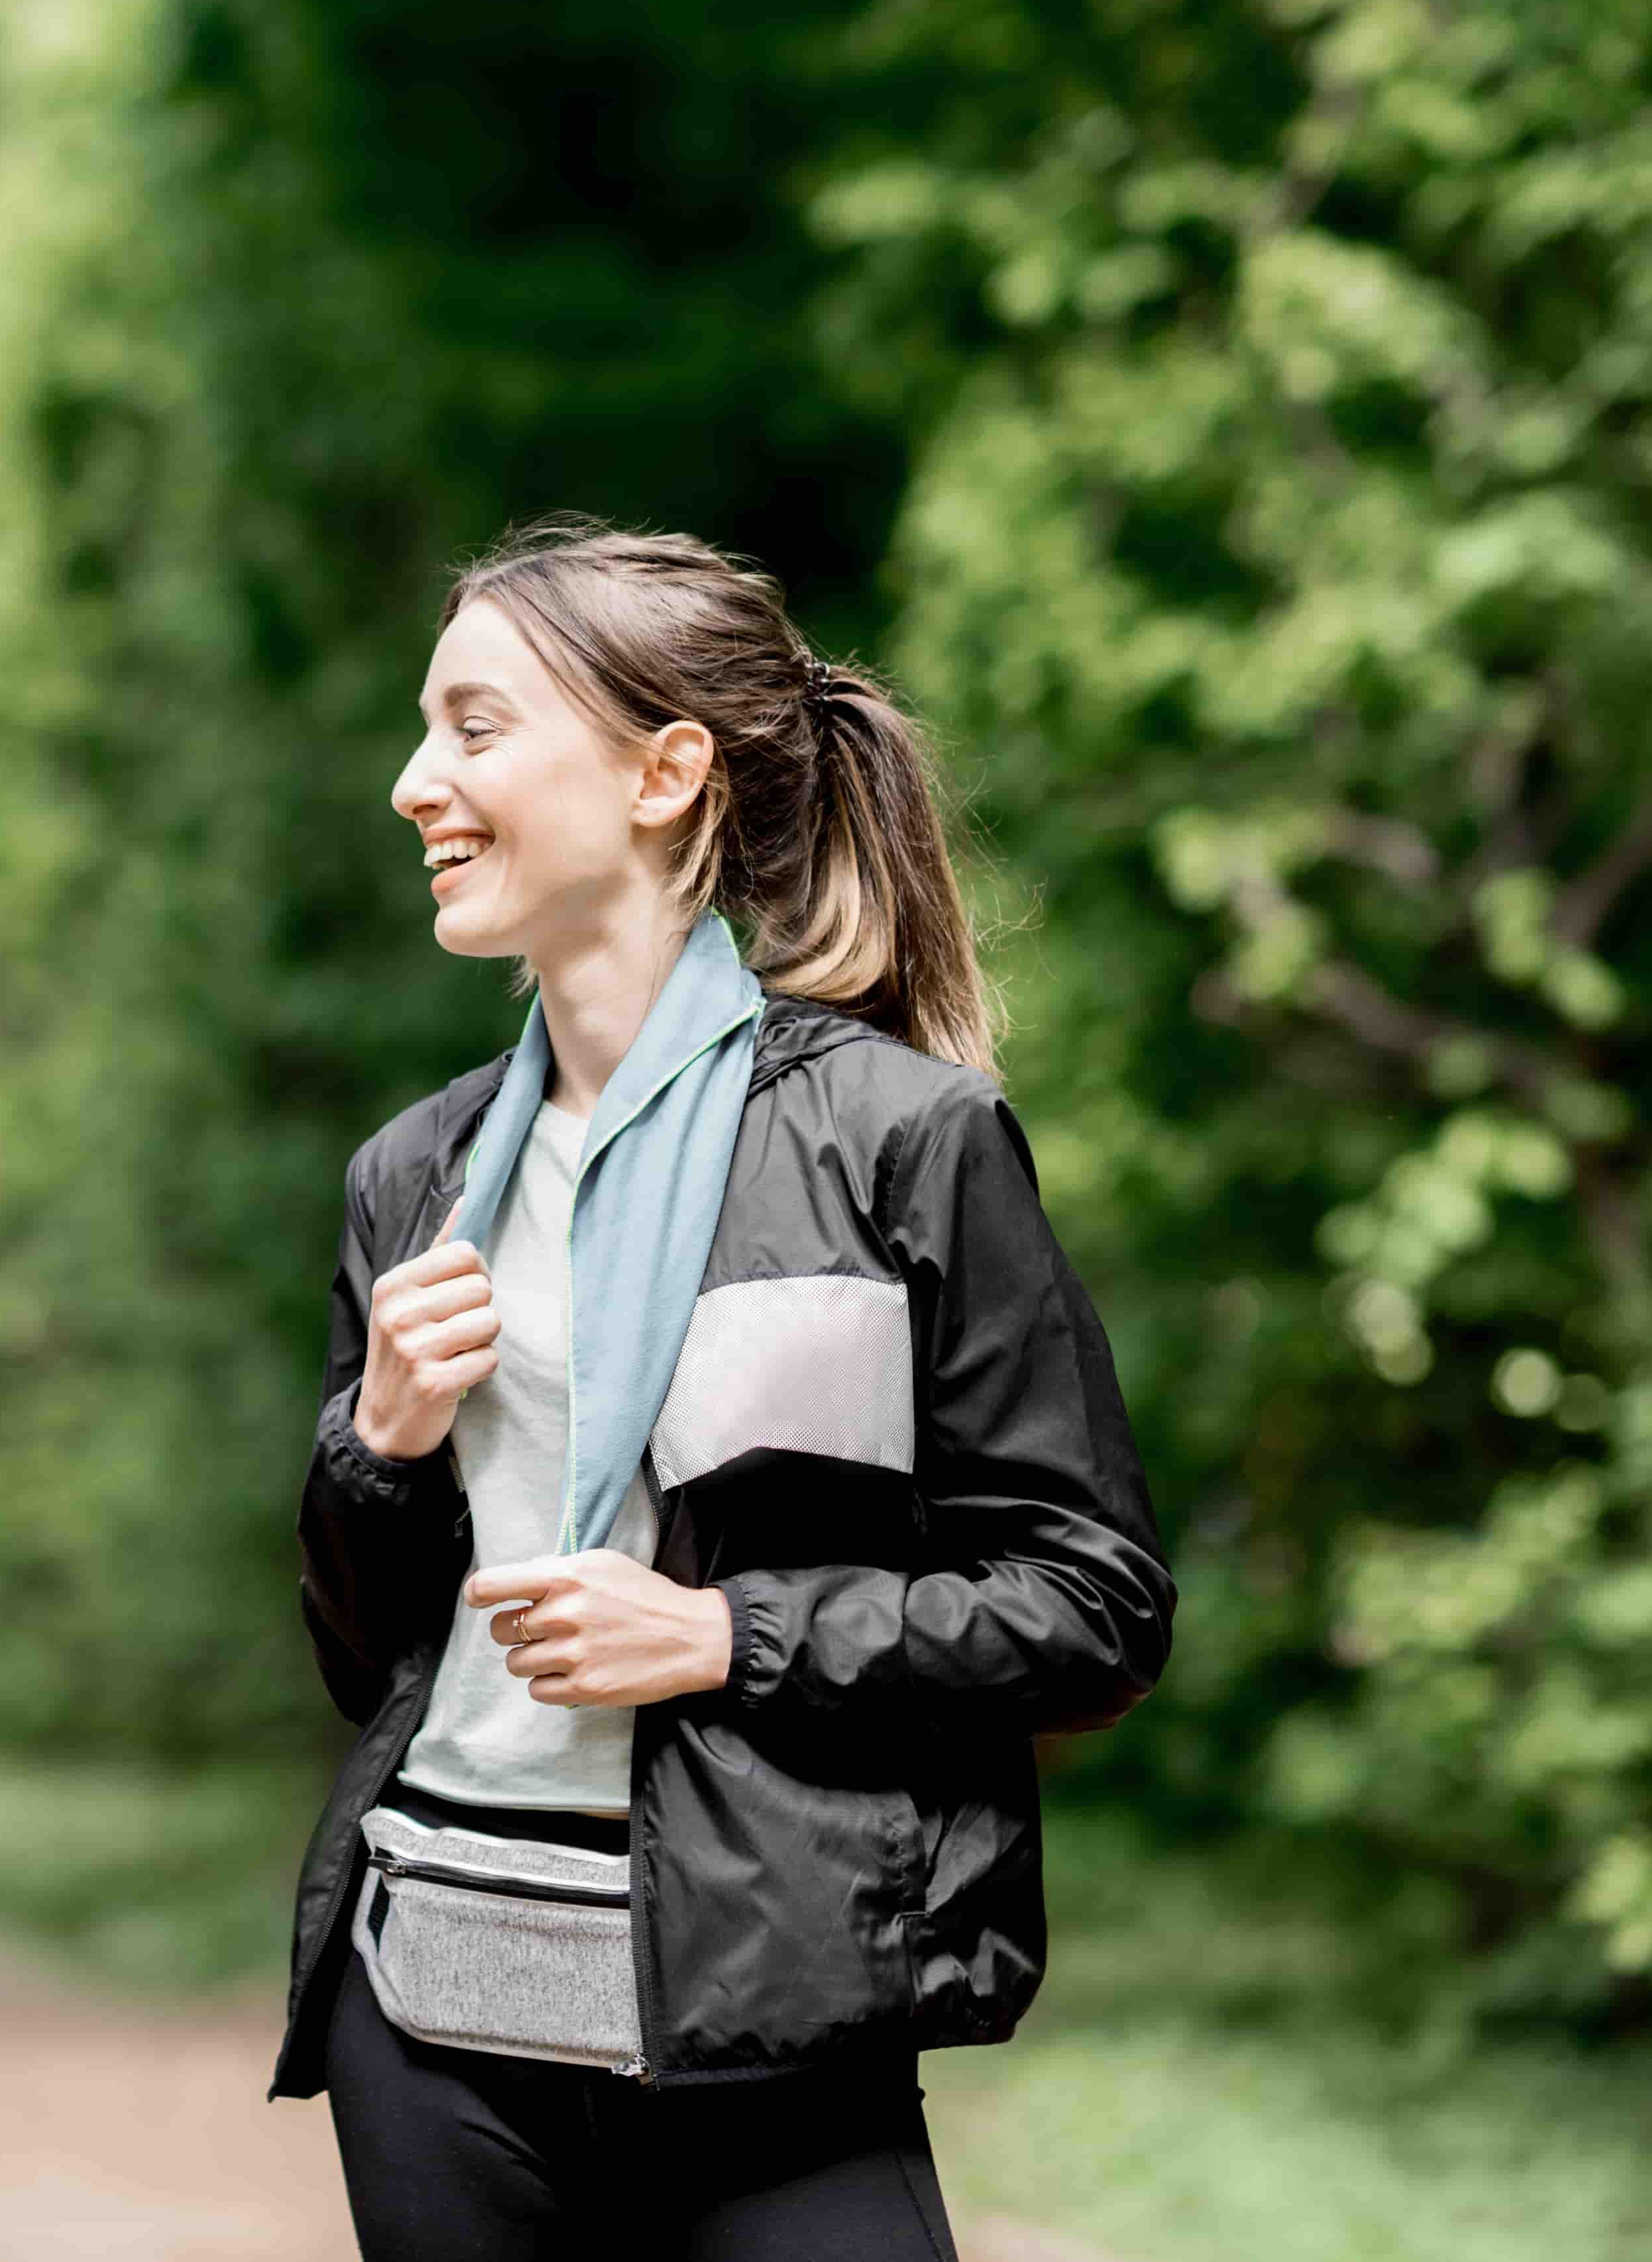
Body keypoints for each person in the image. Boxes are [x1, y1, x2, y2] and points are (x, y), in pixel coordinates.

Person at [271, 519, 1175, 2260]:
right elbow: (357, 1647)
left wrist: (727, 1635)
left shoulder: (905, 1142)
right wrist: (379, 1442)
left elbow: (1095, 1603)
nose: (412, 782)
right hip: (435, 2019)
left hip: (777, 2038)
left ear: (666, 771)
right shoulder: (417, 1173)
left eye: (472, 727)